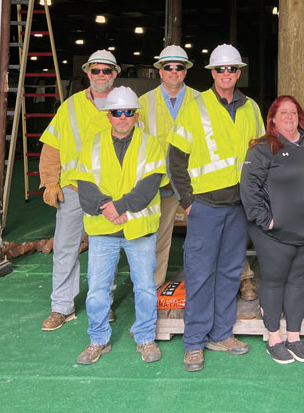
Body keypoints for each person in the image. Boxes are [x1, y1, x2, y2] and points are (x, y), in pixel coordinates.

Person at [167, 44, 264, 372]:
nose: (226, 74)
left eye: (232, 69)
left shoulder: (251, 108)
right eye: (220, 69)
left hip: (239, 208)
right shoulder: (195, 108)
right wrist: (188, 202)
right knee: (199, 273)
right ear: (212, 73)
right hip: (205, 206)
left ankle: (221, 334)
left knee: (229, 272)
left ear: (239, 72)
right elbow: (176, 158)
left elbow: (260, 155)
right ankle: (194, 342)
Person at [70, 87, 167, 364]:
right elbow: (85, 186)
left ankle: (146, 338)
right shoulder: (92, 144)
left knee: (145, 287)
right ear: (108, 116)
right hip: (103, 229)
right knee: (98, 289)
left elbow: (149, 185)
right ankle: (98, 340)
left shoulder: (151, 144)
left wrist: (121, 207)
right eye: (116, 112)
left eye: (127, 112)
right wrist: (109, 209)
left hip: (139, 229)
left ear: (136, 115)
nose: (122, 117)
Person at [240, 95, 304, 364]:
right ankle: (274, 337)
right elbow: (249, 188)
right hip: (274, 234)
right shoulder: (263, 148)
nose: (289, 117)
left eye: (293, 112)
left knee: (299, 282)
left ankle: (294, 335)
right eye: (283, 113)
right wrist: (266, 220)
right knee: (275, 281)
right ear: (273, 118)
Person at [39, 49, 119, 331]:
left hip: (107, 191)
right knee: (64, 248)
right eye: (95, 70)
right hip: (73, 189)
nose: (100, 76)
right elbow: (52, 147)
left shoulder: (123, 105)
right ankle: (62, 307)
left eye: (106, 71)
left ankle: (102, 303)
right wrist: (50, 181)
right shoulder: (70, 106)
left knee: (103, 249)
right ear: (87, 73)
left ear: (115, 74)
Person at [138, 45, 199, 289]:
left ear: (185, 72)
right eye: (168, 67)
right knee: (158, 240)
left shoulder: (202, 100)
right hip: (160, 184)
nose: (173, 71)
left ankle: (235, 279)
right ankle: (154, 290)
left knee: (209, 235)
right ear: (160, 72)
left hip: (194, 183)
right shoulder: (143, 103)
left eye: (179, 67)